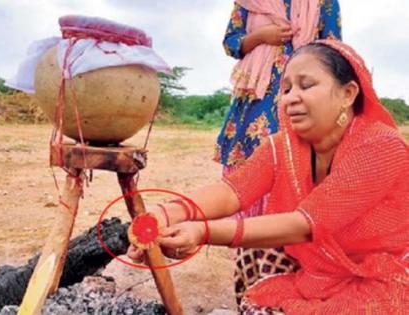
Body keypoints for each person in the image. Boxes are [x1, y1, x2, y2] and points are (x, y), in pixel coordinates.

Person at [129, 39, 409, 314]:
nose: (290, 97)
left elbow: (306, 224)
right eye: (285, 88)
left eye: (306, 85)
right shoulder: (283, 146)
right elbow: (232, 192)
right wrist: (167, 215)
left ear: (348, 93)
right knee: (254, 250)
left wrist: (203, 232)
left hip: (382, 274)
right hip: (320, 270)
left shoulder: (380, 147)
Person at [214, 0, 342, 306]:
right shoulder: (247, 2)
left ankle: (286, 286)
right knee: (249, 189)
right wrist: (263, 35)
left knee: (295, 190)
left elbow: (335, 51)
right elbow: (231, 43)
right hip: (255, 102)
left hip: (303, 105)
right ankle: (251, 284)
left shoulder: (324, 2)